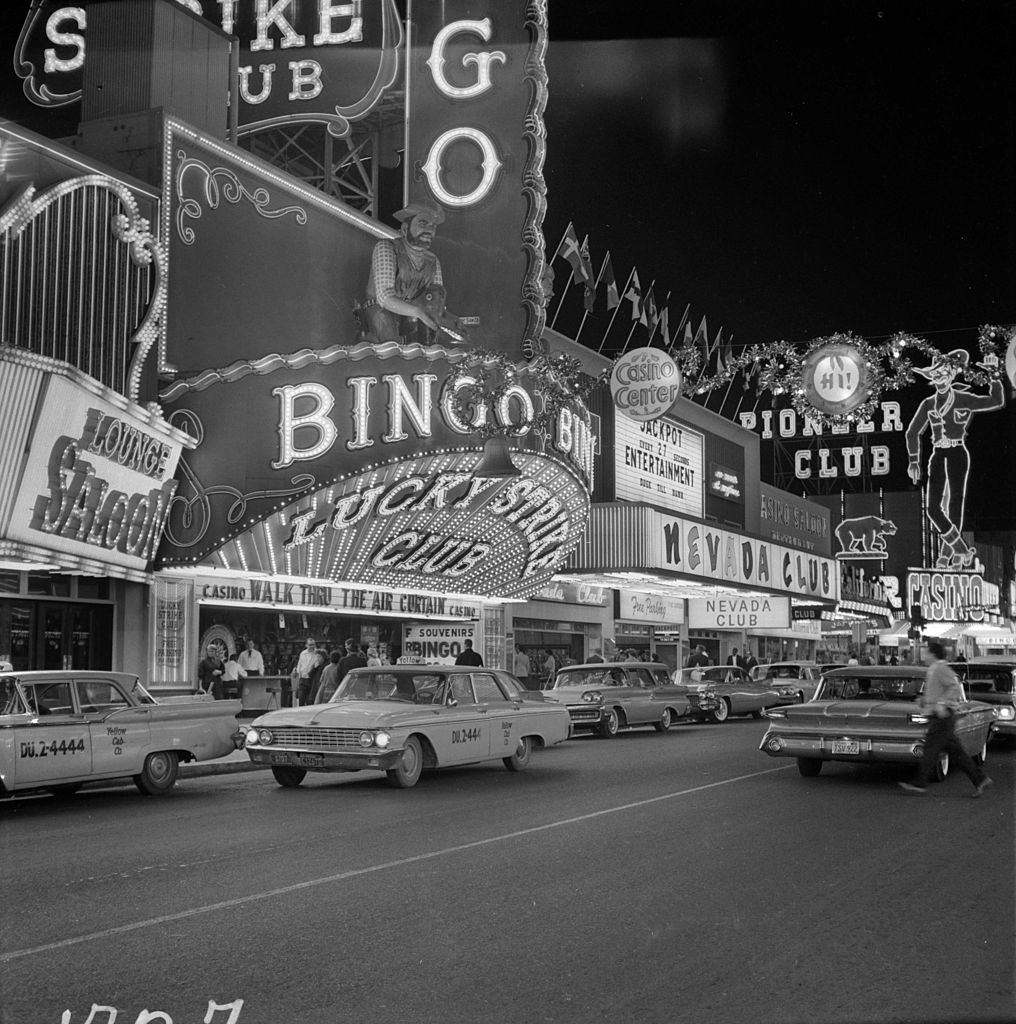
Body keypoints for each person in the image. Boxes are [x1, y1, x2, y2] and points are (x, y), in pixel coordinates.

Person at [905, 348, 1004, 569]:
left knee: (955, 505)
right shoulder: (928, 403)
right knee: (932, 509)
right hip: (938, 454)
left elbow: (996, 400)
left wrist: (994, 376)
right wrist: (914, 460)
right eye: (936, 372)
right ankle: (960, 548)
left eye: (945, 372)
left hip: (958, 453)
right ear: (931, 376)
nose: (940, 376)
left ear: (952, 375)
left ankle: (948, 556)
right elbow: (912, 432)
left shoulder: (962, 398)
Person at [358, 200, 466, 346]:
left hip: (414, 314)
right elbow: (385, 298)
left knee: (430, 342)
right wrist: (419, 313)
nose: (429, 230)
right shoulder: (387, 248)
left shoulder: (433, 261)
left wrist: (449, 318)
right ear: (404, 229)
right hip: (381, 309)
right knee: (391, 346)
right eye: (423, 224)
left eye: (433, 226)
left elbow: (435, 302)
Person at [899, 641, 992, 797]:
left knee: (930, 748)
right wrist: (924, 701)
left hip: (942, 716)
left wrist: (942, 703)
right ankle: (980, 779)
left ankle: (920, 783)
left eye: (927, 652)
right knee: (957, 753)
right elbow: (937, 691)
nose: (925, 655)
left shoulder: (941, 668)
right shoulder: (934, 669)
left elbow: (954, 686)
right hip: (940, 716)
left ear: (933, 654)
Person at [294, 637, 325, 707]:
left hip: (312, 679)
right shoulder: (303, 653)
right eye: (310, 645)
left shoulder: (317, 653)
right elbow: (300, 664)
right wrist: (298, 674)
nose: (312, 646)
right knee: (301, 699)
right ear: (306, 645)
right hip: (303, 679)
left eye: (313, 644)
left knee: (310, 700)